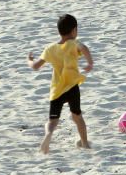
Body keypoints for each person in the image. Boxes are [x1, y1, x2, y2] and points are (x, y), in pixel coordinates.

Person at [28, 14, 93, 153]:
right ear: (74, 30)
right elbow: (84, 47)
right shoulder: (73, 44)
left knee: (52, 121)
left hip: (57, 90)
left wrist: (29, 60)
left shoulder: (50, 48)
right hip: (72, 88)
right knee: (77, 117)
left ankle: (48, 134)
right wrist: (89, 62)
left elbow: (35, 66)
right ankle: (85, 143)